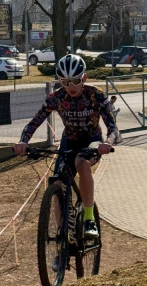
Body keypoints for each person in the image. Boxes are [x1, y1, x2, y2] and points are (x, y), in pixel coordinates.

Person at [14, 54, 115, 239]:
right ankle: (62, 236)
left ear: (84, 78)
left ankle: (89, 218)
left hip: (92, 140)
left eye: (75, 81)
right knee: (57, 182)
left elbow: (113, 128)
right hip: (69, 142)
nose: (71, 87)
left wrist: (107, 143)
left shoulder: (96, 95)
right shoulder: (56, 97)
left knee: (81, 163)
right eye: (65, 82)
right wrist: (24, 141)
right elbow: (34, 122)